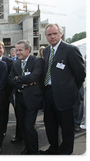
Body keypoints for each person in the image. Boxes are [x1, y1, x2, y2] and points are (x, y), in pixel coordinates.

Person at [40, 23, 86, 155]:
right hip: (49, 94)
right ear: (46, 37)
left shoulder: (70, 49)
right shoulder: (47, 50)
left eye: (55, 34)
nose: (52, 37)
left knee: (66, 127)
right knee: (50, 125)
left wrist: (69, 89)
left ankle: (65, 153)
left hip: (65, 96)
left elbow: (80, 74)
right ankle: (53, 148)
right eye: (49, 35)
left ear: (61, 34)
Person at [8, 40, 44, 155]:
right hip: (19, 99)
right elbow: (9, 79)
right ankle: (27, 149)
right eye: (16, 50)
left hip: (32, 99)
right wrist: (22, 82)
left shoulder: (37, 61)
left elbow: (34, 77)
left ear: (28, 50)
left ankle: (34, 151)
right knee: (22, 126)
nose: (17, 52)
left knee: (29, 126)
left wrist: (17, 79)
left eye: (20, 50)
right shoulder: (15, 63)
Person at [0, 41, 13, 136]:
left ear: (3, 49)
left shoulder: (9, 61)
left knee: (4, 113)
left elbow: (10, 78)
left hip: (4, 94)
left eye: (0, 48)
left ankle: (3, 130)